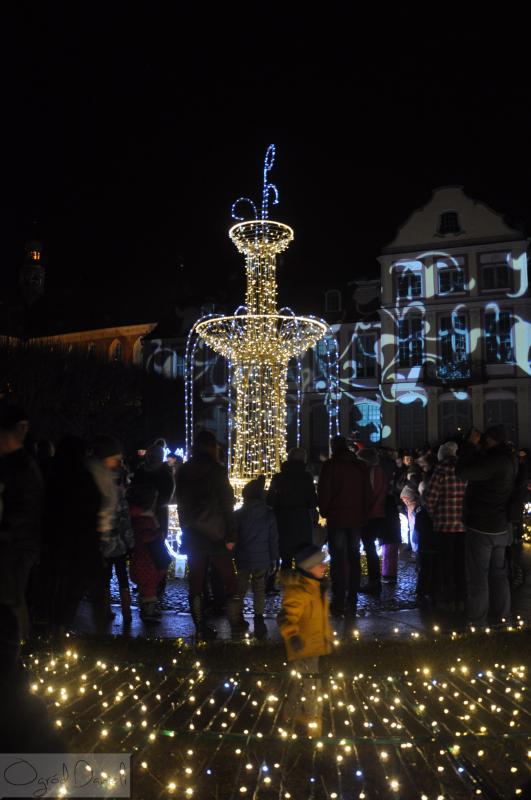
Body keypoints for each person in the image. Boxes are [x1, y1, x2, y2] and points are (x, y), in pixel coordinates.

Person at [175, 430, 240, 638]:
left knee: (196, 580)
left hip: (193, 533)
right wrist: (231, 534)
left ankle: (200, 625)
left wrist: (186, 527)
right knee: (229, 578)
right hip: (216, 533)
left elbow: (180, 503)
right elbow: (227, 504)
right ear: (212, 447)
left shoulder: (184, 471)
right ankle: (236, 622)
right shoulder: (217, 470)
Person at [45, 436, 107, 634]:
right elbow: (94, 505)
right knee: (87, 587)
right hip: (84, 541)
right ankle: (100, 636)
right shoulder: (84, 476)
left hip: (59, 541)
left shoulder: (52, 474)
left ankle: (56, 629)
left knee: (65, 588)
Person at [456, 425, 516, 626]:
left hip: (482, 526)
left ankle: (477, 621)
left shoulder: (494, 461)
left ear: (492, 440)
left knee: (478, 576)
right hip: (500, 524)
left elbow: (463, 472)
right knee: (498, 575)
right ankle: (502, 618)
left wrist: (468, 445)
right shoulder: (509, 459)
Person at [0, 401, 44, 641]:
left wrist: (8, 531)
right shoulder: (17, 463)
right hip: (17, 542)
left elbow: (26, 508)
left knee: (13, 598)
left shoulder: (21, 466)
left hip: (17, 544)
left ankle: (18, 648)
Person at [277, 544, 332, 737]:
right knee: (311, 686)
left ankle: (290, 713)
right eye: (319, 564)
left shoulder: (316, 587)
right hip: (303, 647)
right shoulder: (300, 591)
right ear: (308, 568)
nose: (324, 566)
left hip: (314, 646)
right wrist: (293, 636)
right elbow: (285, 617)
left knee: (300, 683)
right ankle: (312, 721)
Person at [317, 435, 372, 616]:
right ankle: (352, 598)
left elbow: (324, 491)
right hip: (355, 518)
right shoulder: (359, 466)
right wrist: (364, 512)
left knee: (338, 559)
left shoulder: (330, 466)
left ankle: (339, 599)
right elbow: (367, 492)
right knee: (353, 557)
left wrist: (325, 511)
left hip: (337, 517)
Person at [234, 475, 279, 639]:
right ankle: (258, 618)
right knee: (259, 588)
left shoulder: (238, 514)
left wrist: (234, 554)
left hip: (243, 557)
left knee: (240, 587)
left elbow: (235, 537)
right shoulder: (269, 514)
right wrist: (274, 558)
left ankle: (237, 616)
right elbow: (273, 539)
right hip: (262, 558)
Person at [424, 441, 466, 610]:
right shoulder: (464, 469)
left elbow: (431, 498)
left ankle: (449, 599)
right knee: (461, 562)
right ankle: (462, 598)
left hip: (444, 525)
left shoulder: (440, 470)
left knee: (446, 563)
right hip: (463, 524)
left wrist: (434, 514)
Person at [87, 435, 123, 618]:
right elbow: (105, 506)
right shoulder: (99, 475)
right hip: (96, 534)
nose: (117, 463)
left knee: (100, 578)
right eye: (115, 459)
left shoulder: (103, 474)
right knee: (98, 578)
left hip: (98, 534)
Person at [266, 447, 318, 571]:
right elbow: (312, 502)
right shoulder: (306, 477)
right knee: (303, 557)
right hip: (301, 519)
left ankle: (286, 580)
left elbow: (270, 500)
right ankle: (301, 581)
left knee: (285, 557)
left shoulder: (279, 477)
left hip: (283, 519)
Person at [128, 484, 170, 623]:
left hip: (141, 559)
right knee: (149, 588)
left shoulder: (136, 516)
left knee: (144, 588)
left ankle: (146, 610)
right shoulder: (145, 519)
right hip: (148, 560)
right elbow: (146, 536)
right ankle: (148, 613)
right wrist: (159, 533)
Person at [101, 466, 135, 623]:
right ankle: (127, 613)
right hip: (119, 546)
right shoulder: (121, 499)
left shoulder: (101, 496)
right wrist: (131, 545)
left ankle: (105, 611)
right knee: (122, 578)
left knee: (105, 578)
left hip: (103, 546)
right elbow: (126, 525)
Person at [357, 447, 387, 594]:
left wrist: (365, 511)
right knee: (370, 547)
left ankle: (374, 581)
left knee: (369, 547)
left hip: (371, 514)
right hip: (376, 512)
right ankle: (374, 581)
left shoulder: (373, 471)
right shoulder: (378, 471)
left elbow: (371, 493)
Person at [133, 443, 175, 538]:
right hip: (141, 517)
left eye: (154, 456)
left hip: (156, 518)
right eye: (150, 456)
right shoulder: (140, 472)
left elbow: (166, 498)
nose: (152, 458)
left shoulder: (165, 475)